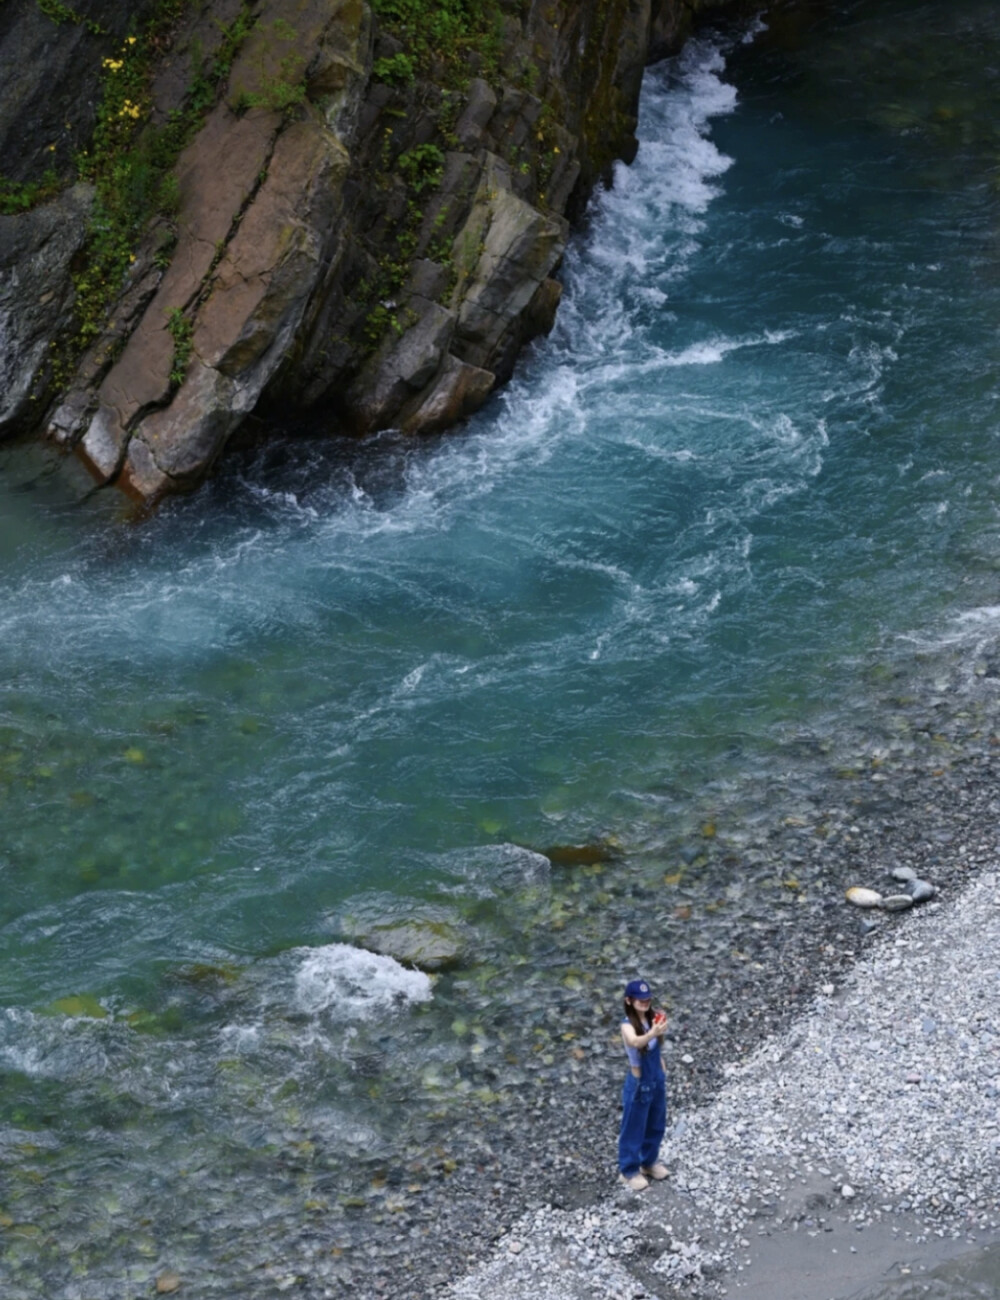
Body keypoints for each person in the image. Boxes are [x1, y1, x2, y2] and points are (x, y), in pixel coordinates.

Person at [618, 977, 668, 1190]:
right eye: (640, 999)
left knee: (656, 1122)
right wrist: (653, 1033)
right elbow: (635, 1042)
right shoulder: (627, 1025)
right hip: (639, 1083)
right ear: (629, 1001)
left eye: (647, 999)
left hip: (656, 1077)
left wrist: (662, 1070)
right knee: (633, 1126)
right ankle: (629, 1170)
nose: (644, 1002)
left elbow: (656, 1048)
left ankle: (649, 1162)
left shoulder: (652, 1020)